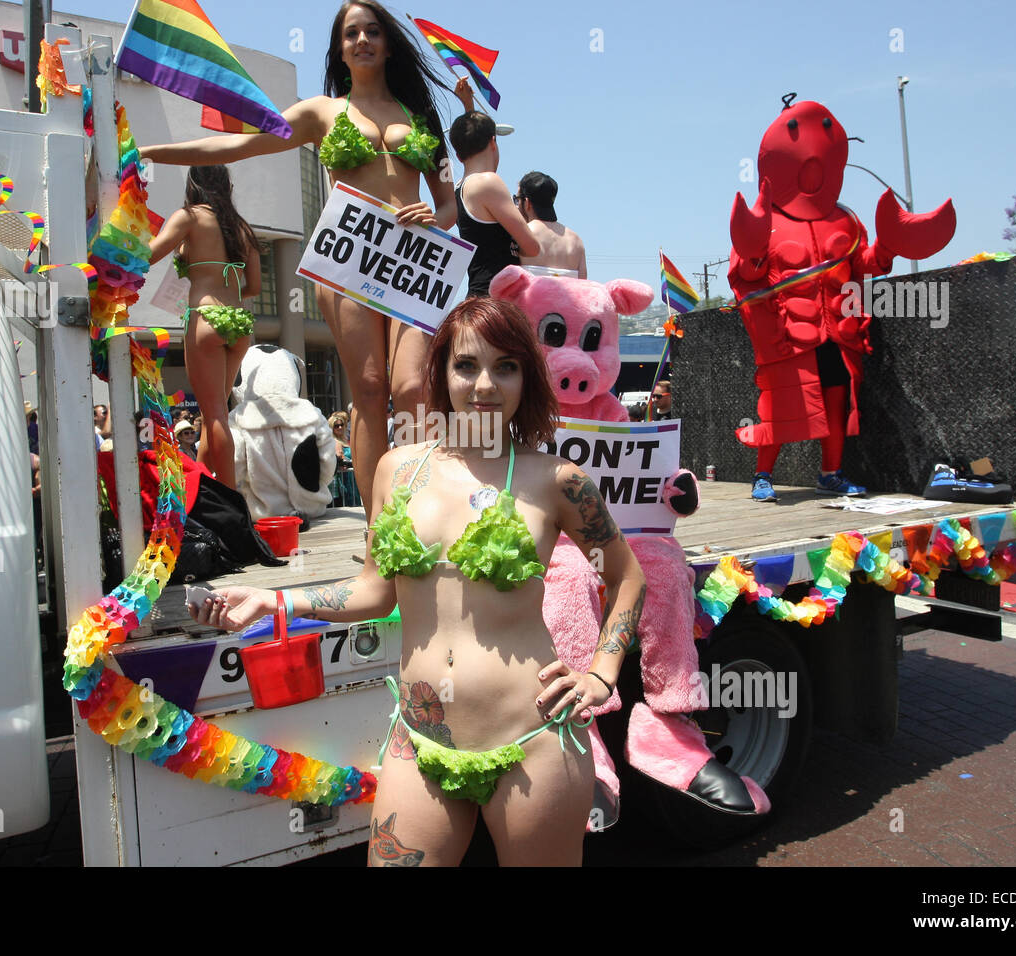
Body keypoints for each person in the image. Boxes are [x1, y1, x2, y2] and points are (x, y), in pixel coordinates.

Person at [192, 297, 647, 866]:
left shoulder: (555, 480)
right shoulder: (397, 469)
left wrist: (602, 674)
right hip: (420, 741)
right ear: (440, 373)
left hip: (536, 741)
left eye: (506, 366)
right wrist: (271, 600)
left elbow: (626, 577)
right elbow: (373, 591)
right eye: (466, 365)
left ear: (526, 377)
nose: (485, 384)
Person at [141, 1, 455, 522]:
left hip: (412, 263)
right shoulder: (320, 112)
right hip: (349, 262)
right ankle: (381, 530)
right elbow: (242, 145)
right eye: (351, 33)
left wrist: (438, 215)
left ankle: (420, 510)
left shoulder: (420, 114)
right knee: (371, 389)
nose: (362, 40)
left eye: (372, 31)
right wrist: (156, 152)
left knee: (413, 387)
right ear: (339, 48)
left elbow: (449, 200)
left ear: (388, 42)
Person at [149, 166, 261, 486]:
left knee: (214, 416)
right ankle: (202, 481)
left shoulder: (189, 217)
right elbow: (253, 286)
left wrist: (114, 247)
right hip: (238, 322)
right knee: (217, 415)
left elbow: (148, 256)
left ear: (193, 183)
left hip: (205, 315)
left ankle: (228, 499)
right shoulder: (240, 227)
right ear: (227, 184)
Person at [449, 86, 540, 296]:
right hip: (499, 302)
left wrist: (468, 106)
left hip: (478, 296)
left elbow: (470, 133)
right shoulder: (489, 183)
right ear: (493, 142)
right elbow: (532, 247)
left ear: (459, 155)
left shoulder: (459, 188)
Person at [515, 171, 587, 279]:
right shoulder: (576, 241)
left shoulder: (522, 233)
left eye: (516, 200)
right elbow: (583, 287)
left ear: (527, 202)